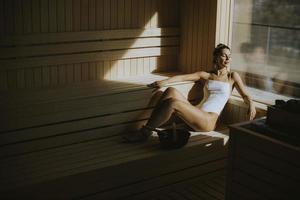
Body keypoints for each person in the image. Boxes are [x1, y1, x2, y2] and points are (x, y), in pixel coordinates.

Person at [123, 43, 256, 142]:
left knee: (173, 103)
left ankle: (145, 133)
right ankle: (144, 124)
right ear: (216, 57)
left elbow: (245, 95)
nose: (227, 58)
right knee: (171, 91)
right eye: (223, 55)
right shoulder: (206, 75)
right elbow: (183, 77)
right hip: (195, 113)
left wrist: (251, 103)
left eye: (229, 56)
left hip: (208, 120)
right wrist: (164, 82)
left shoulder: (232, 76)